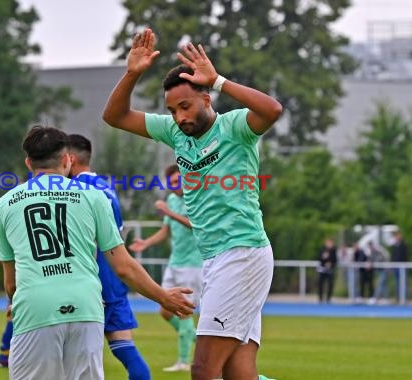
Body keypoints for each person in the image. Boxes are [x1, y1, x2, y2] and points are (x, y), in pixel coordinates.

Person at [102, 28, 281, 380]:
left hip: (241, 254)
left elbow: (272, 109)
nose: (180, 117)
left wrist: (218, 80)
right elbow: (115, 116)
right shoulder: (174, 131)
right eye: (172, 110)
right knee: (238, 374)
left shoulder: (235, 128)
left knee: (202, 370)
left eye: (185, 106)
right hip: (216, 259)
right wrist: (132, 73)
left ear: (207, 99)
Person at [0, 126, 194, 380]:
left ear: (28, 162)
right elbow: (123, 266)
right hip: (86, 307)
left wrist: (16, 301)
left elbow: (11, 282)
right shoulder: (94, 196)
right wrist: (162, 297)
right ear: (67, 160)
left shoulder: (4, 204)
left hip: (36, 308)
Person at [67, 133, 151, 379]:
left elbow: (87, 241)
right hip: (114, 280)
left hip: (90, 282)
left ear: (69, 159)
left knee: (73, 357)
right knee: (125, 349)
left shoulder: (75, 191)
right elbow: (116, 240)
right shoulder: (106, 188)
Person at [129, 163, 202, 372]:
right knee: (165, 308)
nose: (174, 185)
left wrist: (168, 212)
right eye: (171, 182)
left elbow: (192, 224)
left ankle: (183, 361)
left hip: (193, 265)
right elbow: (166, 231)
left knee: (185, 311)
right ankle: (198, 340)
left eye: (178, 180)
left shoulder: (195, 197)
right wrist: (146, 243)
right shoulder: (171, 199)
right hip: (175, 262)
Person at [316, 238, 337, 303]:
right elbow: (319, 258)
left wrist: (331, 264)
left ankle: (328, 299)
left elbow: (335, 260)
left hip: (330, 270)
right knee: (320, 284)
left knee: (330, 284)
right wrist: (324, 259)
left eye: (330, 243)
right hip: (322, 270)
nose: (329, 244)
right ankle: (320, 298)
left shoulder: (333, 250)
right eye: (328, 243)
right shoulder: (322, 249)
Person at [391, 231, 409, 303]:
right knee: (397, 283)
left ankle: (406, 298)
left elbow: (406, 257)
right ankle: (397, 298)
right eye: (396, 236)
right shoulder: (394, 246)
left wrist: (405, 266)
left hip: (403, 267)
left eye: (399, 235)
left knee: (404, 283)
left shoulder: (404, 245)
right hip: (396, 267)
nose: (398, 237)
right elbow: (393, 256)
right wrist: (391, 266)